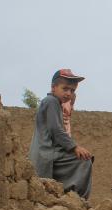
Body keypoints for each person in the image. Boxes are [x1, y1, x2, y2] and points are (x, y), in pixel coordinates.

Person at [29, 69, 93, 199]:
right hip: (46, 154)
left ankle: (67, 197)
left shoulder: (54, 103)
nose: (69, 93)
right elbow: (56, 131)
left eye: (72, 90)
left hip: (49, 154)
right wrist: (75, 147)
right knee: (84, 161)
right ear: (53, 87)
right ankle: (78, 199)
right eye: (65, 89)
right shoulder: (51, 102)